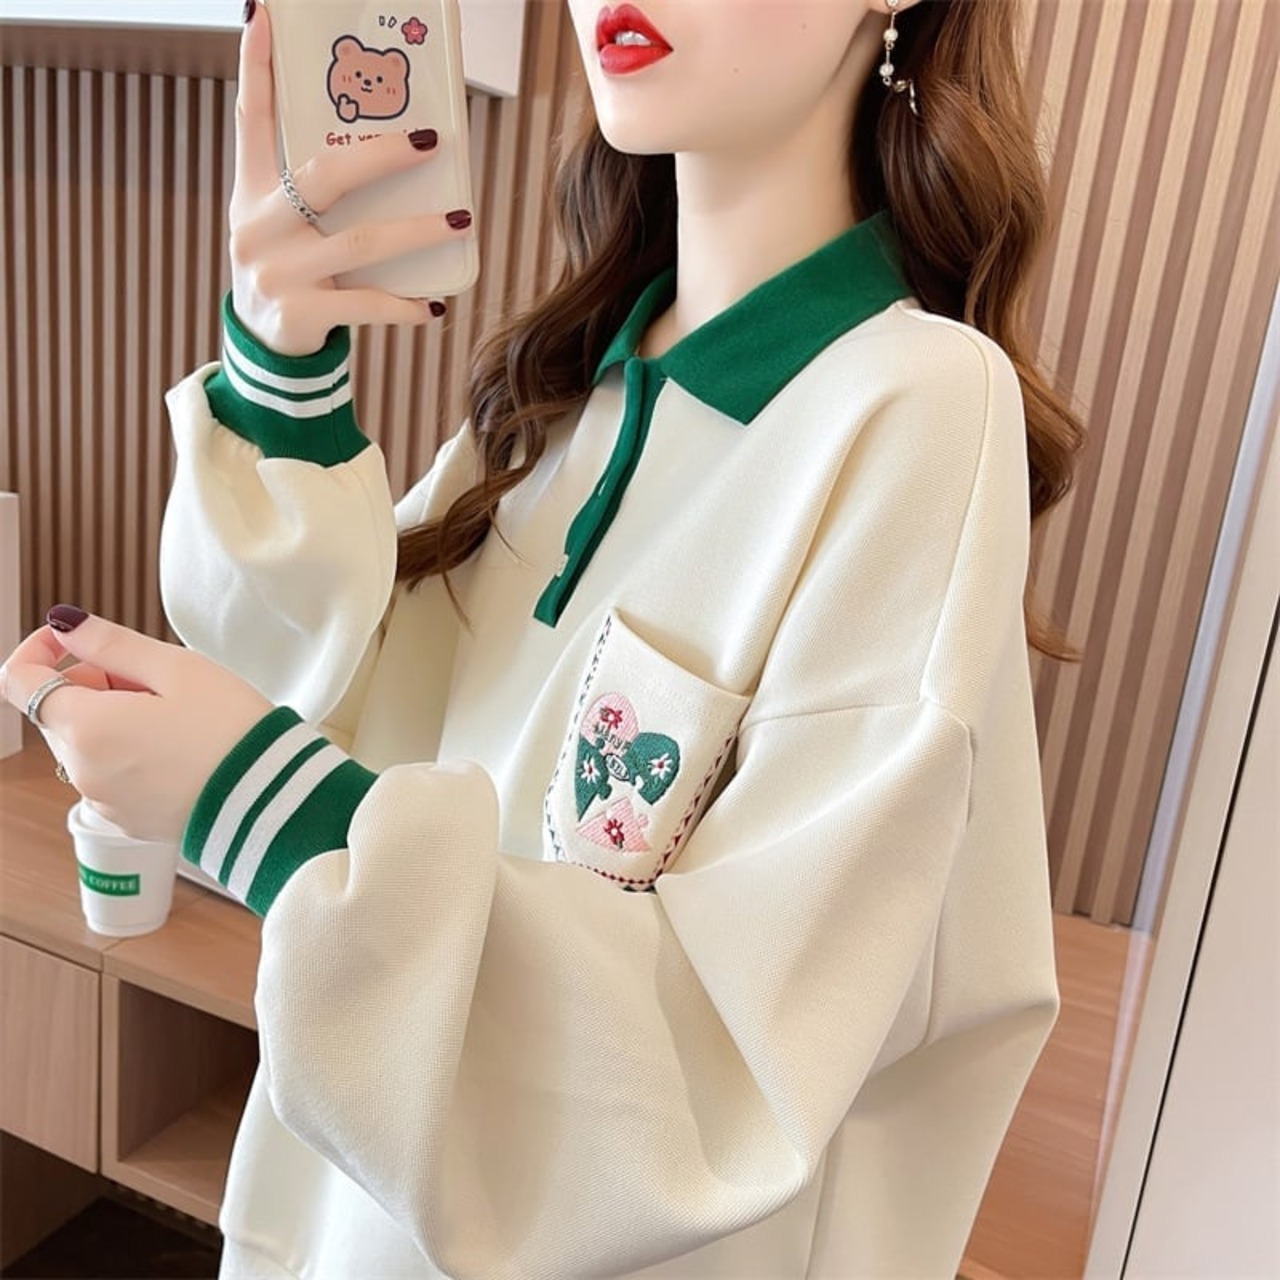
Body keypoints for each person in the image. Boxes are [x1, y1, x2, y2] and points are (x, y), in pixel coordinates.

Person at [1, 0, 1085, 1274]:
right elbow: (335, 707)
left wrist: (259, 798)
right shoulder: (563, 394)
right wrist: (281, 371)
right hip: (349, 1217)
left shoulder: (913, 405)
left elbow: (730, 1056)